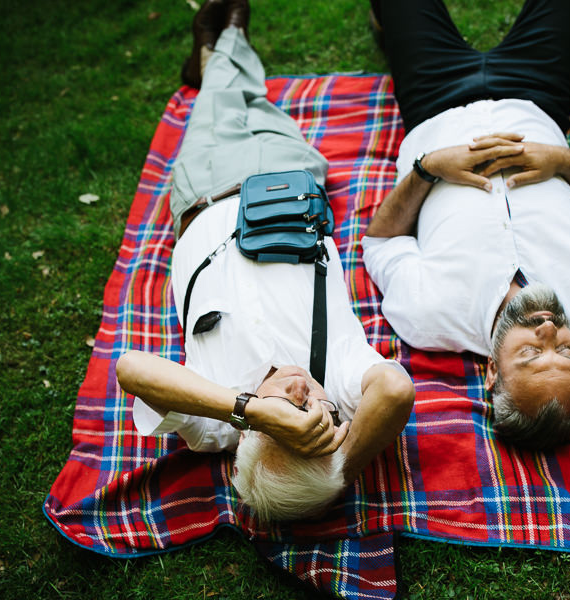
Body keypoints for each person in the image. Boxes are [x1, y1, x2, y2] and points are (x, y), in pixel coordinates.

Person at [116, 0, 414, 523]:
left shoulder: (216, 424)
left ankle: (224, 34)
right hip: (291, 186)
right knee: (259, 105)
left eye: (284, 417)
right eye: (313, 416)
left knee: (220, 99)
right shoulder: (342, 380)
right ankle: (220, 55)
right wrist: (344, 463)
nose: (300, 392)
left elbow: (131, 369)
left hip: (209, 190)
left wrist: (249, 408)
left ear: (250, 434)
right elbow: (394, 388)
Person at [361, 0, 570, 450]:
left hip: (433, 104)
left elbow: (380, 243)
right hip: (536, 98)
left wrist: (429, 167)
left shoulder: (427, 315)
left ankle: (389, 21)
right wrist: (562, 162)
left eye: (532, 353)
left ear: (494, 369)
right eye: (568, 352)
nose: (550, 332)